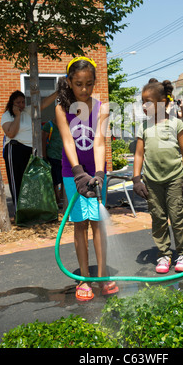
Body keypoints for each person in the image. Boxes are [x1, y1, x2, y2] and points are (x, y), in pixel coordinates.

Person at [55, 56, 118, 301]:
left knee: (97, 222)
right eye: (79, 83)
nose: (84, 89)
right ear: (70, 82)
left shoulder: (101, 107)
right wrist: (79, 173)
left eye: (89, 84)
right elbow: (68, 141)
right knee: (80, 224)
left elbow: (100, 142)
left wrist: (99, 174)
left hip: (95, 173)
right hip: (73, 174)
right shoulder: (62, 107)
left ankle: (102, 276)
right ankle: (84, 277)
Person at [133, 78, 183, 274]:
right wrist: (137, 179)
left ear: (162, 103)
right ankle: (163, 254)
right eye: (142, 101)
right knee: (158, 218)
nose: (144, 105)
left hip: (175, 180)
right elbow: (139, 154)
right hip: (152, 182)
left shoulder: (176, 124)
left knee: (177, 217)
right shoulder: (144, 127)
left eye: (148, 102)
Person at [1, 89, 57, 212]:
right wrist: (17, 115)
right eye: (18, 103)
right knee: (17, 181)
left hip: (29, 150)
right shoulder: (7, 115)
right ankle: (18, 212)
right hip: (15, 149)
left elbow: (43, 104)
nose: (21, 105)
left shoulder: (27, 110)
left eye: (23, 102)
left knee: (30, 181)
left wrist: (57, 92)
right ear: (12, 103)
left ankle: (30, 212)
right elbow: (11, 133)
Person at [42, 118, 64, 208]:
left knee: (63, 179)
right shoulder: (49, 125)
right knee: (55, 180)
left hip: (63, 157)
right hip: (53, 156)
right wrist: (44, 156)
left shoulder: (66, 124)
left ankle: (62, 198)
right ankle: (57, 199)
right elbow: (43, 140)